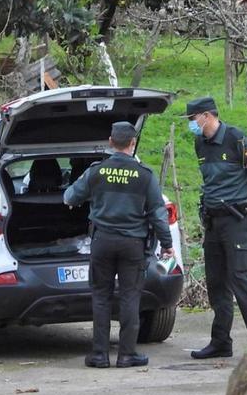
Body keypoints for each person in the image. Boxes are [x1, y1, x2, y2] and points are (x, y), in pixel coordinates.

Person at [65, 121, 174, 369]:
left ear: (111, 142)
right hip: (132, 245)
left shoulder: (96, 171)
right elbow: (158, 214)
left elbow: (70, 196)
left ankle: (99, 355)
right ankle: (127, 354)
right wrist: (167, 245)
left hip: (102, 242)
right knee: (130, 298)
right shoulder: (145, 176)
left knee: (101, 297)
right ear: (133, 143)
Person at [185, 96, 247, 359]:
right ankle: (221, 341)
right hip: (213, 220)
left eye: (193, 119)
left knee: (240, 281)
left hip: (237, 221)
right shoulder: (200, 142)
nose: (191, 124)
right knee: (216, 282)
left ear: (206, 116)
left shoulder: (236, 139)